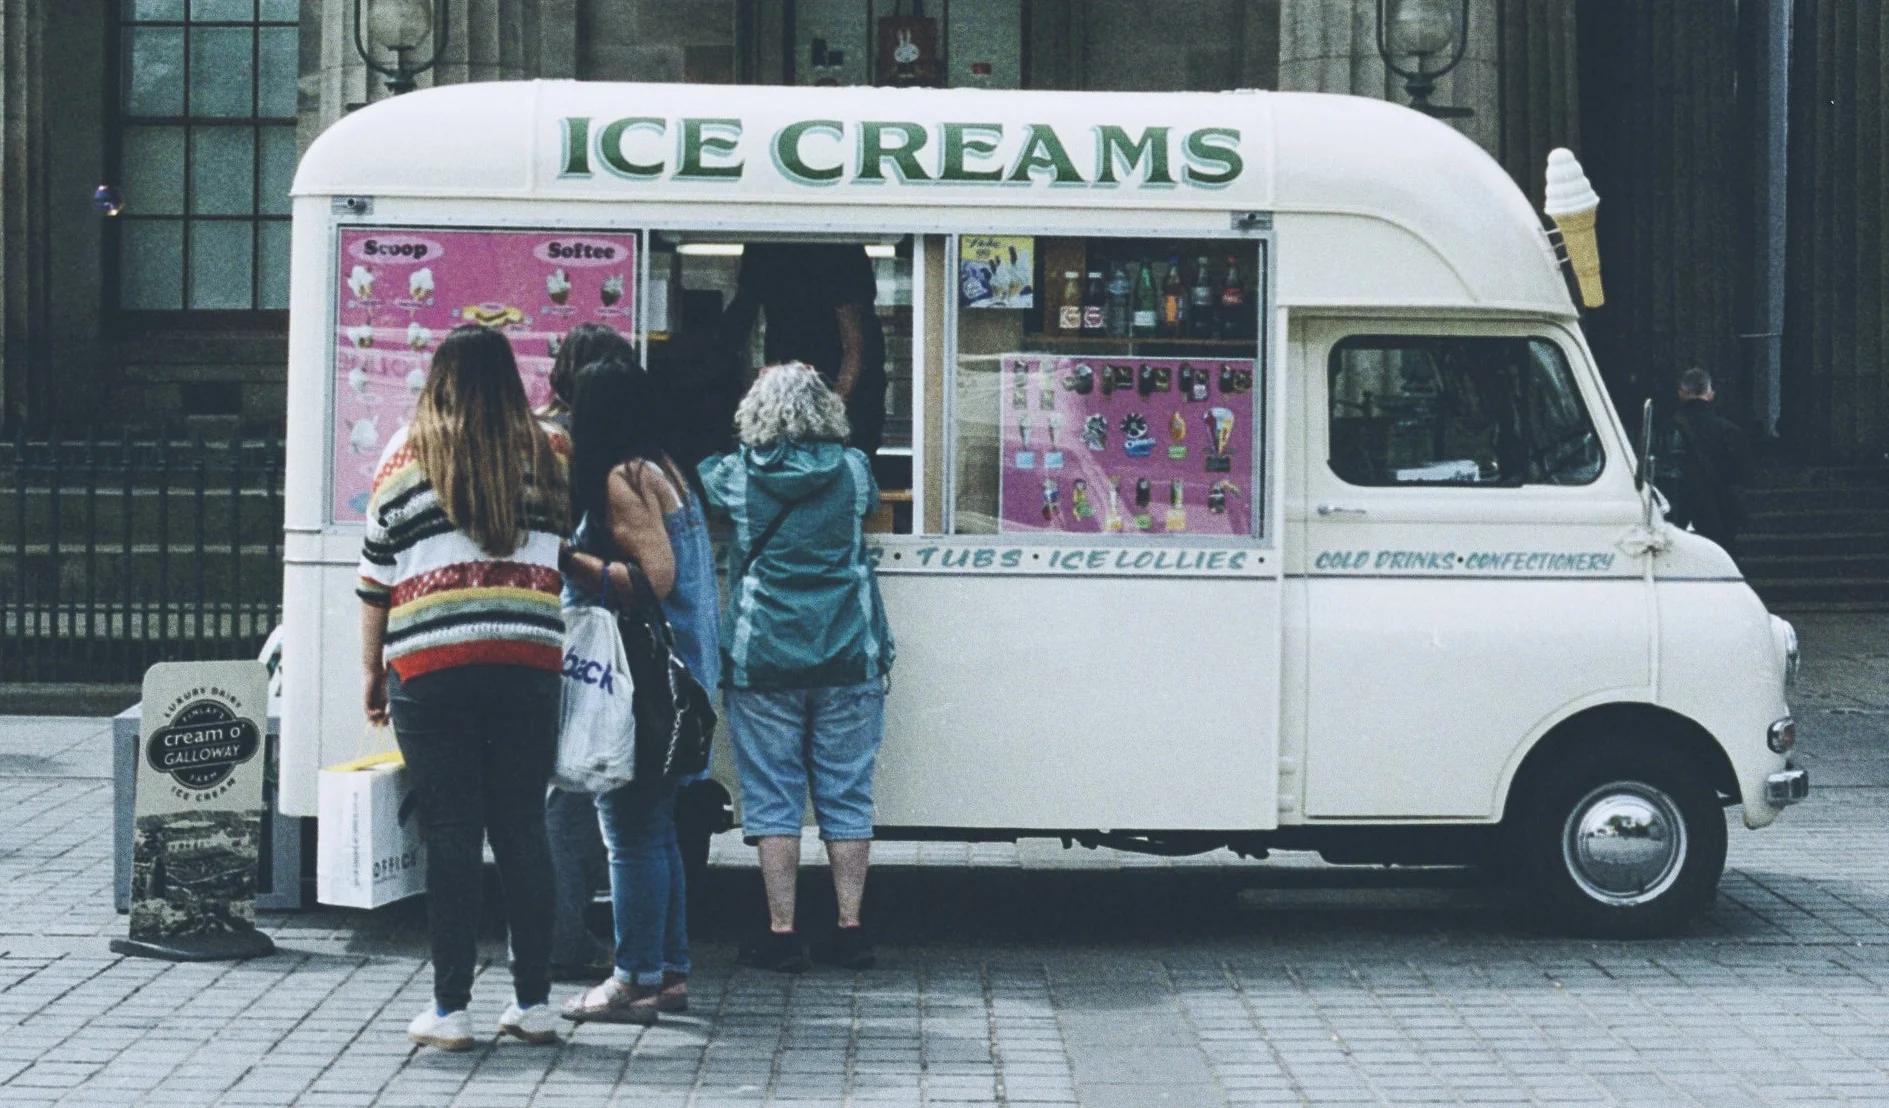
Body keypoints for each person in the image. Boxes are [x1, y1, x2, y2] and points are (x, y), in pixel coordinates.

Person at [358, 325, 570, 1051]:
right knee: (522, 826)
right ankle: (535, 1003)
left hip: (430, 664)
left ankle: (451, 1011)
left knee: (451, 834)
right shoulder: (549, 455)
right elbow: (565, 547)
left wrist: (370, 672)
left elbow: (374, 579)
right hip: (527, 661)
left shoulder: (401, 454)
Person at [698, 362, 896, 972]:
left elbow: (702, 483)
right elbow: (869, 512)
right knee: (846, 792)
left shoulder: (734, 475)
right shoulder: (854, 469)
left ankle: (781, 933)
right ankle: (850, 928)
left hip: (765, 659)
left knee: (773, 795)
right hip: (847, 651)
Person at [556, 356, 720, 1026]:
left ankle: (631, 977)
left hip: (639, 685)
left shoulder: (622, 479)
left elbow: (653, 576)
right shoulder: (661, 465)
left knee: (628, 833)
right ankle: (667, 973)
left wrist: (562, 556)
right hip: (676, 676)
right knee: (654, 832)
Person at [536, 322, 636, 984]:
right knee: (573, 789)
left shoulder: (537, 437)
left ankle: (562, 929)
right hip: (584, 621)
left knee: (562, 784)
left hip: (545, 622)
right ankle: (564, 937)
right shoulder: (590, 445)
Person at [720, 243, 888, 458]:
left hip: (839, 388)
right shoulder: (764, 246)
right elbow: (740, 319)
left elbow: (854, 347)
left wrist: (833, 411)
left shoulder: (838, 250)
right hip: (793, 386)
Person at [1660, 367, 1751, 559]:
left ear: (1681, 394)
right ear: (1711, 395)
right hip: (1719, 515)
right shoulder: (1731, 432)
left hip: (1677, 516)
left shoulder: (1665, 431)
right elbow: (1742, 478)